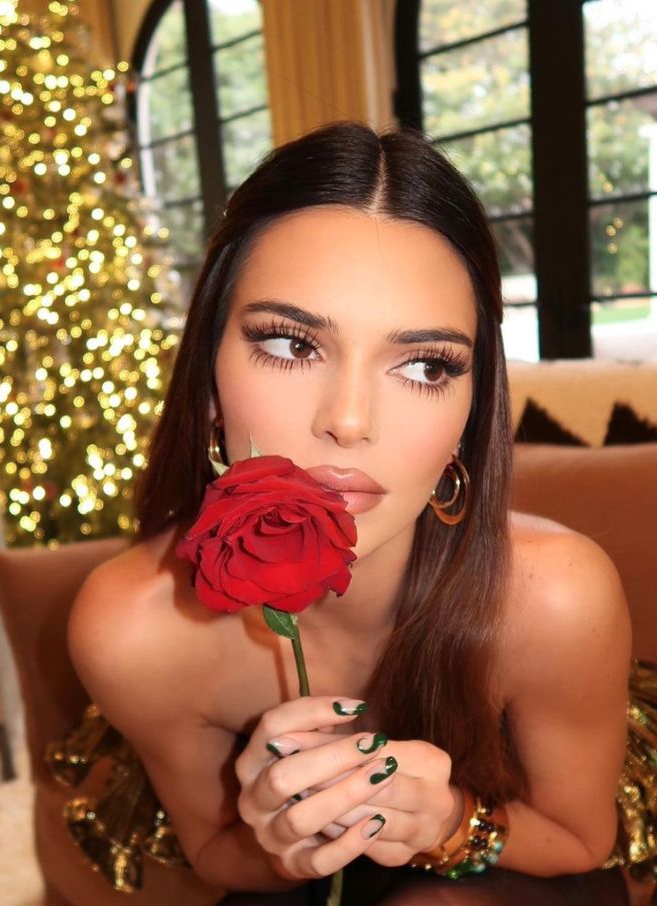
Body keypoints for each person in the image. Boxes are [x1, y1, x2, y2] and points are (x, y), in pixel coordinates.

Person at [65, 122, 640, 905]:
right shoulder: (132, 627)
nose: (349, 419)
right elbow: (212, 854)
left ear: (471, 414)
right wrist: (276, 843)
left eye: (424, 364)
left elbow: (582, 840)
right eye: (293, 345)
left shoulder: (556, 599)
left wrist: (449, 821)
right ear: (206, 382)